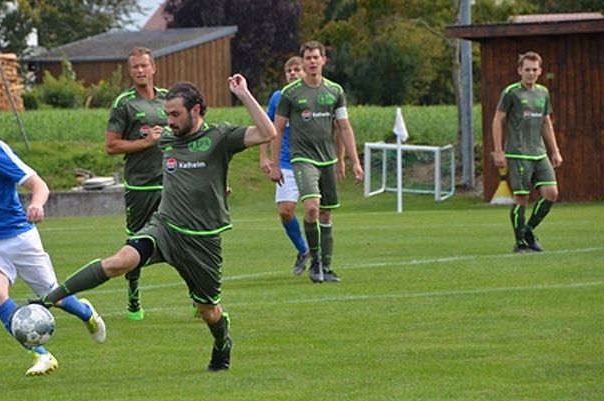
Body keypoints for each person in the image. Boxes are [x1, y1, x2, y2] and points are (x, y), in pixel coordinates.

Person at [39, 75, 276, 372]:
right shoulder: (165, 139)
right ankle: (49, 299)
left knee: (209, 311)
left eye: (176, 114)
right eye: (167, 115)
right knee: (119, 262)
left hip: (201, 239)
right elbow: (125, 148)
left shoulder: (220, 137)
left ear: (197, 110)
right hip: (164, 227)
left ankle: (221, 341)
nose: (170, 121)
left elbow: (267, 133)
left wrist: (243, 94)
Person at [0, 98, 106, 377]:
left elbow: (38, 185)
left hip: (19, 237)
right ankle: (41, 355)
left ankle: (86, 313)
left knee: (54, 297)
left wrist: (37, 204)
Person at [269, 41, 364, 283]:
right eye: (308, 58)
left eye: (315, 57)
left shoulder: (335, 91)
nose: (312, 61)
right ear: (303, 62)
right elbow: (277, 130)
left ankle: (326, 267)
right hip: (302, 159)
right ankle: (315, 262)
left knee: (326, 215)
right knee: (311, 207)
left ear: (324, 60)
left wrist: (354, 161)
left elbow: (343, 126)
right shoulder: (290, 94)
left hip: (328, 160)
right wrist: (274, 163)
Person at [104, 47, 167, 320]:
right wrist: (145, 143)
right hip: (141, 186)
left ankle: (197, 295)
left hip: (172, 183)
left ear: (153, 68)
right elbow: (111, 146)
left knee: (186, 239)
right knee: (137, 241)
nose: (140, 71)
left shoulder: (169, 99)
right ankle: (133, 296)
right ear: (130, 72)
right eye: (135, 68)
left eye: (144, 66)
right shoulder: (124, 103)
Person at [492, 51, 563, 253]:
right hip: (518, 153)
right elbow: (497, 120)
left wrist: (555, 151)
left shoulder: (543, 93)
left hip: (539, 153)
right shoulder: (511, 92)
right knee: (522, 197)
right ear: (520, 71)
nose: (530, 73)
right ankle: (520, 243)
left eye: (534, 70)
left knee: (551, 193)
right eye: (527, 70)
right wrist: (499, 151)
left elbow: (546, 123)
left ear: (540, 71)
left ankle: (528, 231)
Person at [259, 56, 310, 275]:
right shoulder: (278, 98)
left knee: (314, 211)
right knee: (286, 211)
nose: (292, 73)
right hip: (286, 163)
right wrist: (265, 157)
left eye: (297, 69)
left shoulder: (314, 97)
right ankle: (303, 250)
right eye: (289, 70)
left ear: (305, 71)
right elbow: (266, 128)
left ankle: (321, 260)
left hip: (311, 162)